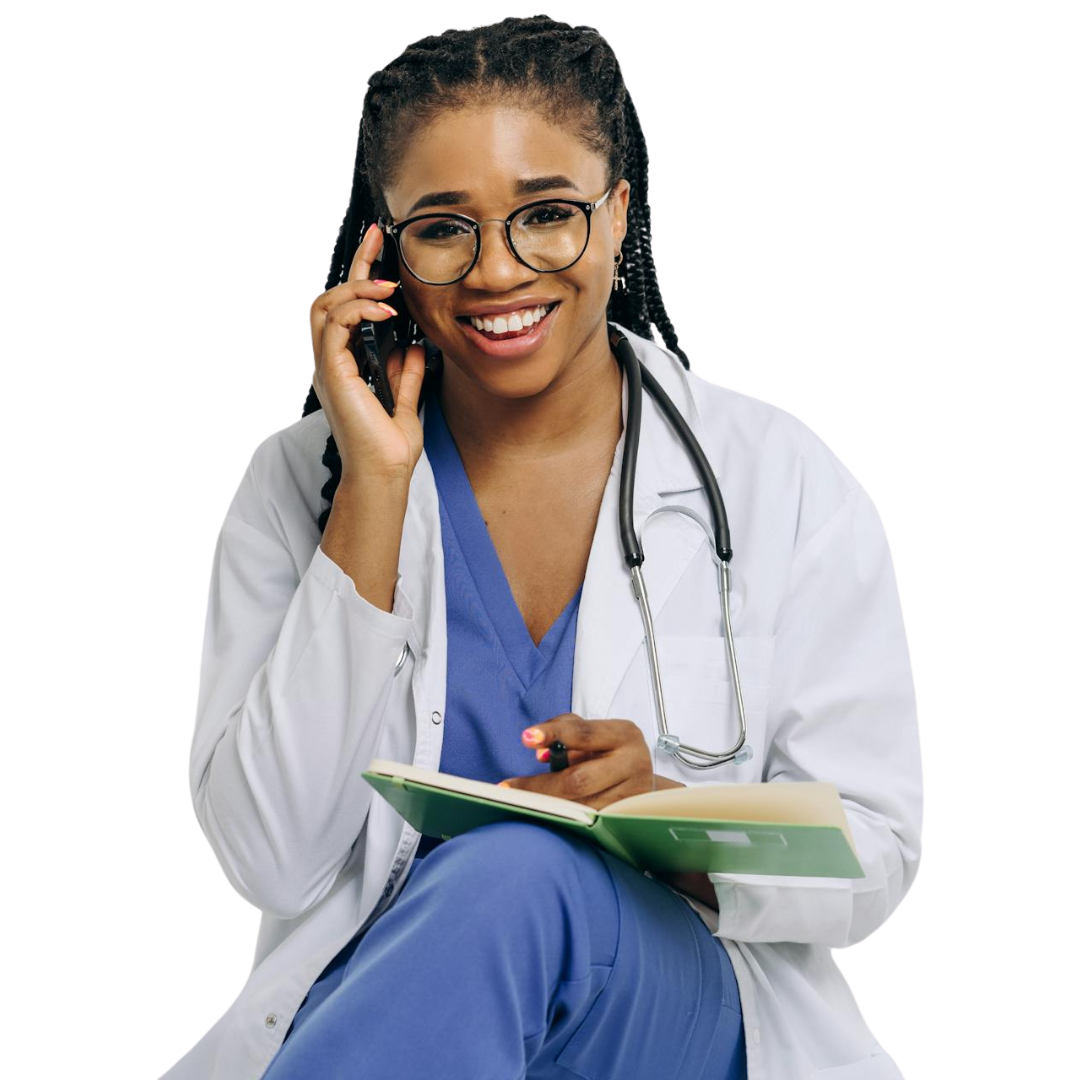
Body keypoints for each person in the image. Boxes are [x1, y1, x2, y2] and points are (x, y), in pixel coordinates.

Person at [159, 15, 922, 1080]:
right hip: (391, 1013)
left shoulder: (780, 477)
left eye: (548, 216)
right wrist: (372, 488)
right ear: (381, 250)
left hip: (672, 1011)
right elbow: (271, 861)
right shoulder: (297, 484)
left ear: (616, 219)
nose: (498, 272)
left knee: (518, 867)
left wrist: (667, 818)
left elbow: (873, 860)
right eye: (442, 228)